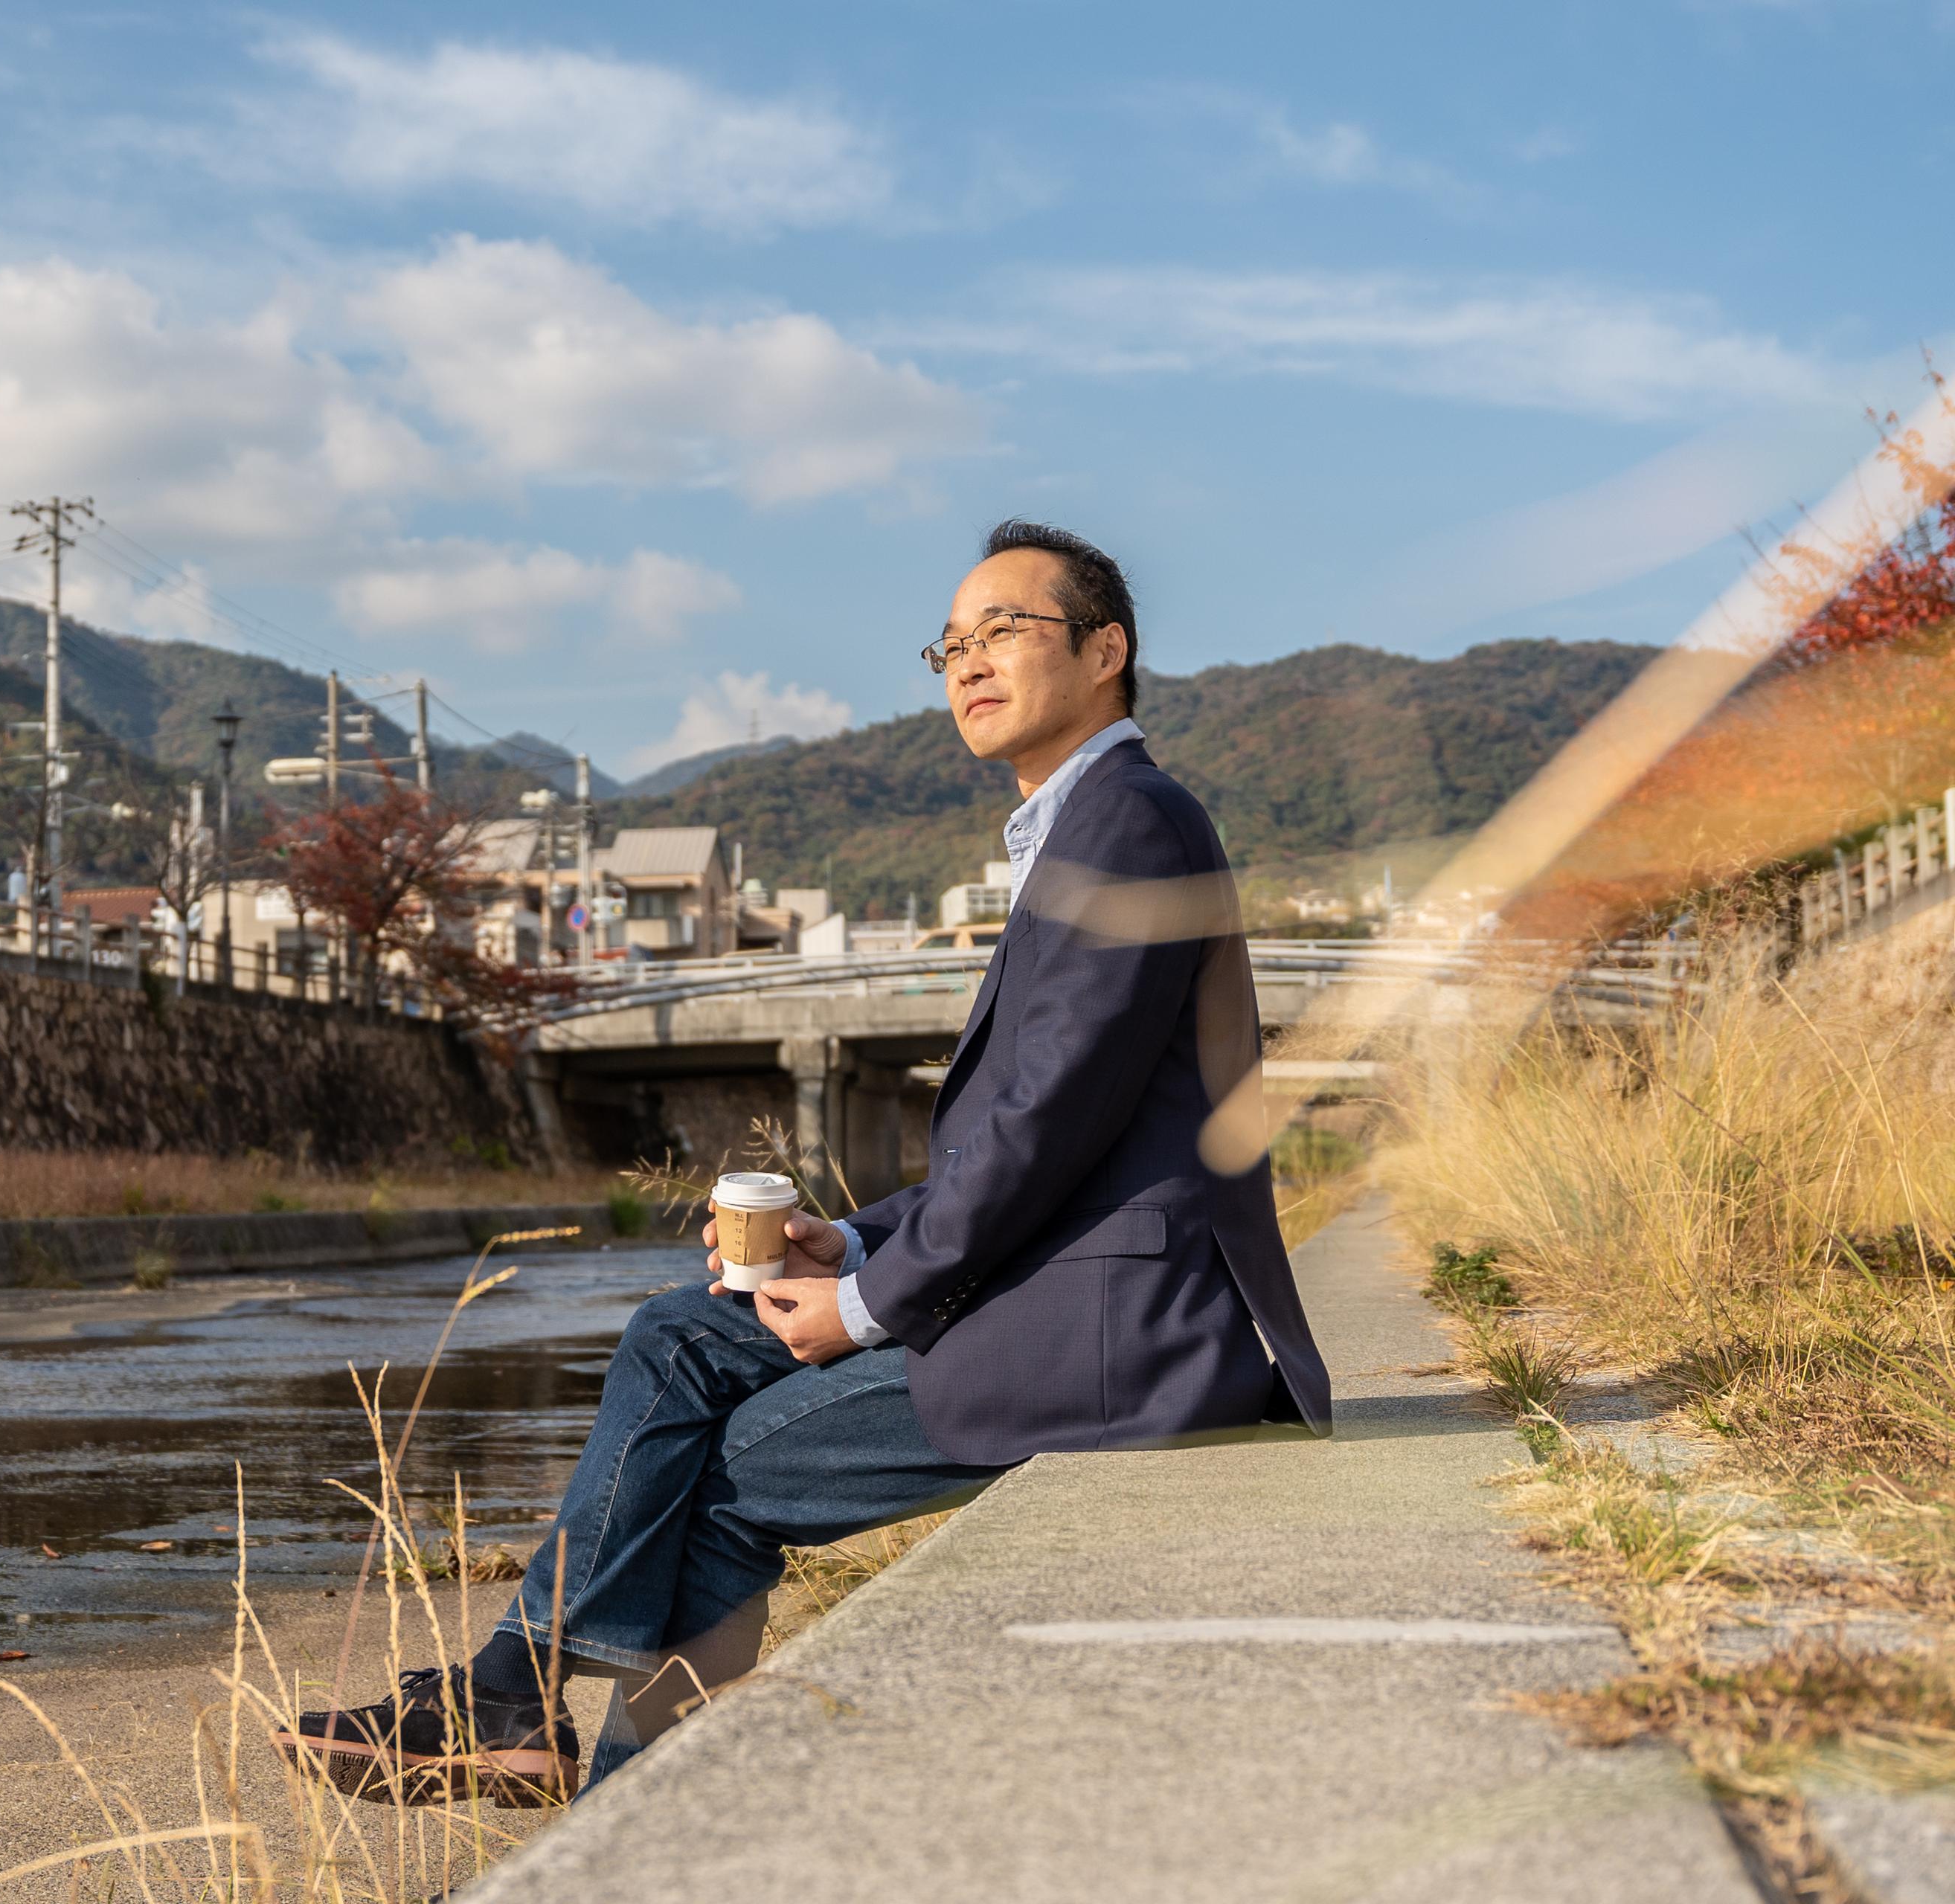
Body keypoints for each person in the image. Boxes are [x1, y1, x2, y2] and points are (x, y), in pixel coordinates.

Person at [280, 519, 1334, 1806]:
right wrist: (867, 1239)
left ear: (1107, 649)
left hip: (1119, 1333)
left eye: (1007, 628)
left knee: (718, 1483)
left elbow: (1052, 1118)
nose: (968, 662)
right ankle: (520, 1697)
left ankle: (617, 1798)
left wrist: (867, 1306)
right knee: (683, 1336)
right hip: (1070, 1290)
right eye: (951, 642)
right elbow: (1029, 1130)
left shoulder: (1128, 821)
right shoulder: (1085, 827)